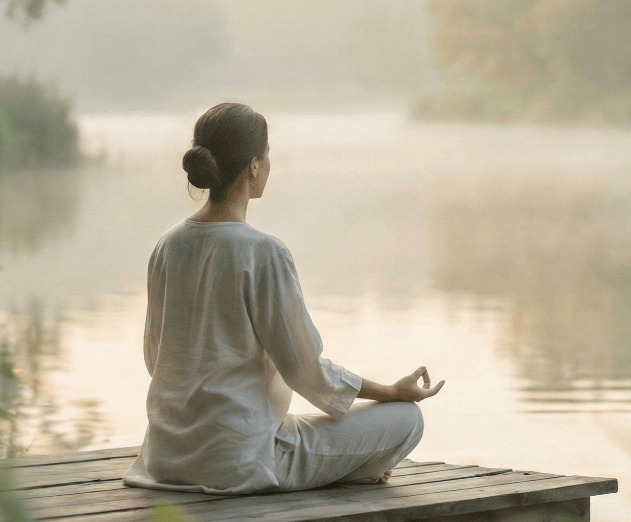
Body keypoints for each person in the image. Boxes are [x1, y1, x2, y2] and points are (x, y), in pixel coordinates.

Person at [124, 103, 445, 495]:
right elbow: (307, 372)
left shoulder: (168, 246)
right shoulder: (263, 253)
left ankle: (344, 465)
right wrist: (393, 392)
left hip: (166, 458)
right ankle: (351, 468)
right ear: (255, 165)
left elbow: (155, 359)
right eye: (268, 155)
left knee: (301, 426)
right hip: (241, 461)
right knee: (406, 420)